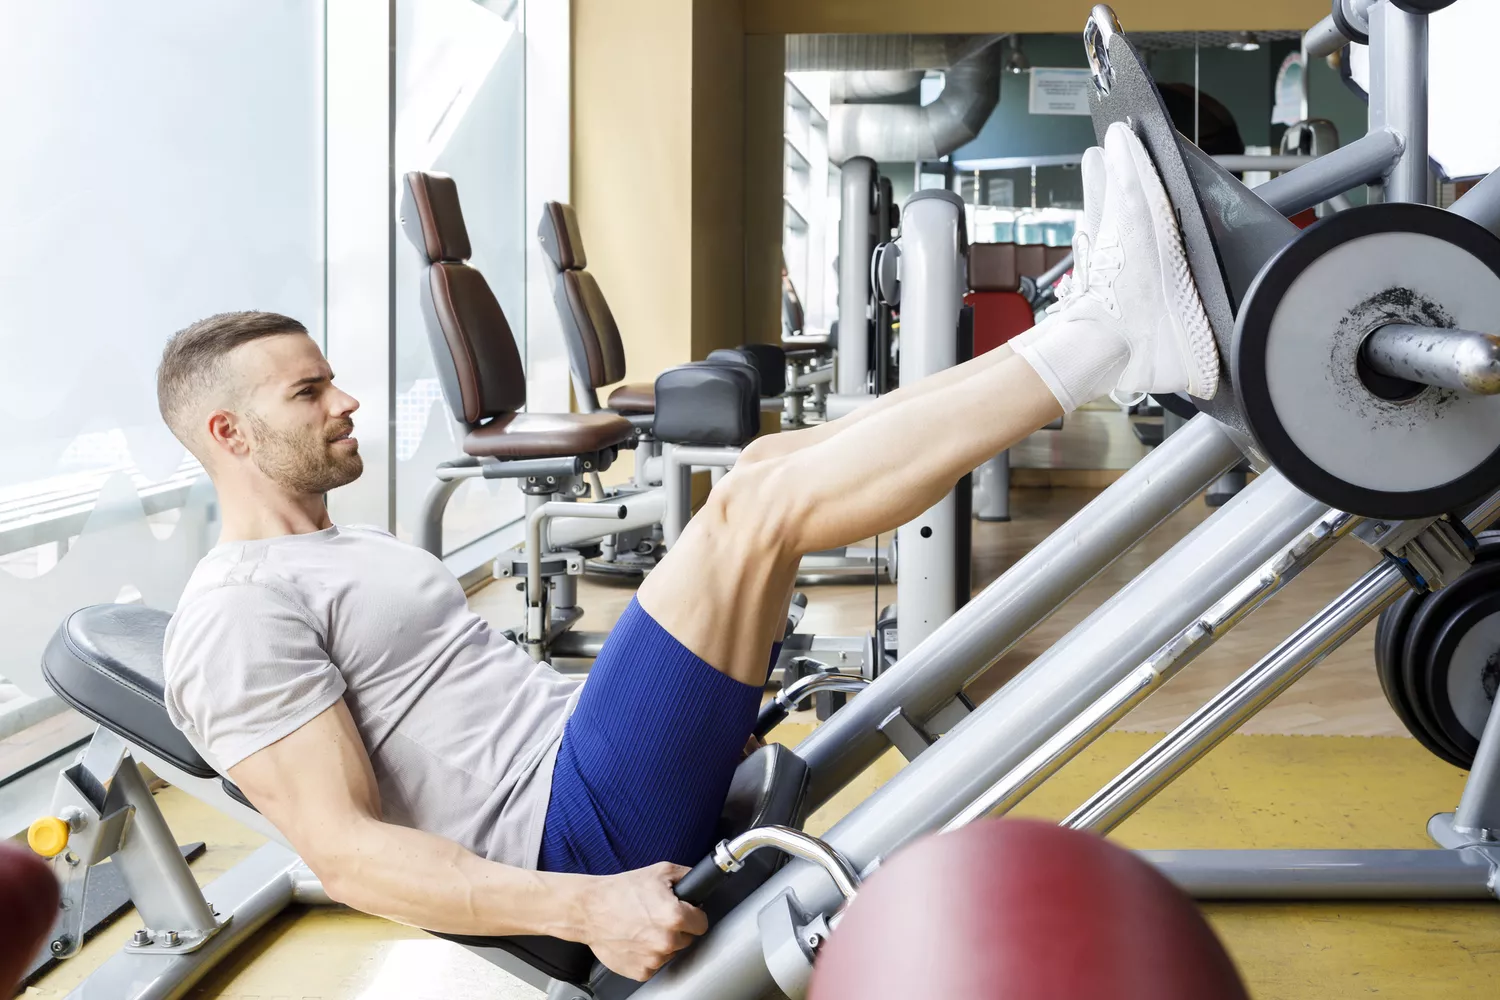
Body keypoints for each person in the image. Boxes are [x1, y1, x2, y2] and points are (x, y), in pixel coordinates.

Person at [158, 123, 1217, 982]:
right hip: (570, 833)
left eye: (331, 377)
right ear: (228, 434)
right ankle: (1106, 335)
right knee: (749, 516)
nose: (346, 400)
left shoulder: (341, 550)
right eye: (309, 392)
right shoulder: (236, 613)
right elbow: (343, 852)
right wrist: (584, 908)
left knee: (765, 468)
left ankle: (1101, 333)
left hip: (580, 754)